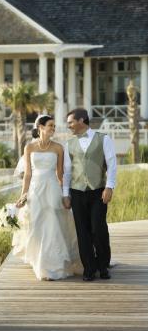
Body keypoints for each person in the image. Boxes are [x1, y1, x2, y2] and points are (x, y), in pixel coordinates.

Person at [12, 114, 81, 281]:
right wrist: (23, 195)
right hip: (35, 190)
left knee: (52, 226)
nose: (53, 128)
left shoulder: (58, 148)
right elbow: (28, 174)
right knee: (37, 226)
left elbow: (60, 174)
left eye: (54, 126)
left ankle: (52, 267)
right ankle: (40, 264)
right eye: (50, 125)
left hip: (52, 189)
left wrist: (66, 194)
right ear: (40, 128)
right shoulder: (29, 148)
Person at [63, 108, 117, 281]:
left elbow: (112, 164)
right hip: (77, 192)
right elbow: (67, 172)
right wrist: (66, 194)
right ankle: (89, 269)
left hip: (98, 191)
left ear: (81, 120)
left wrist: (109, 187)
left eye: (70, 122)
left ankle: (103, 266)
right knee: (82, 232)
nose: (68, 125)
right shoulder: (69, 144)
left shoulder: (104, 139)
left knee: (98, 228)